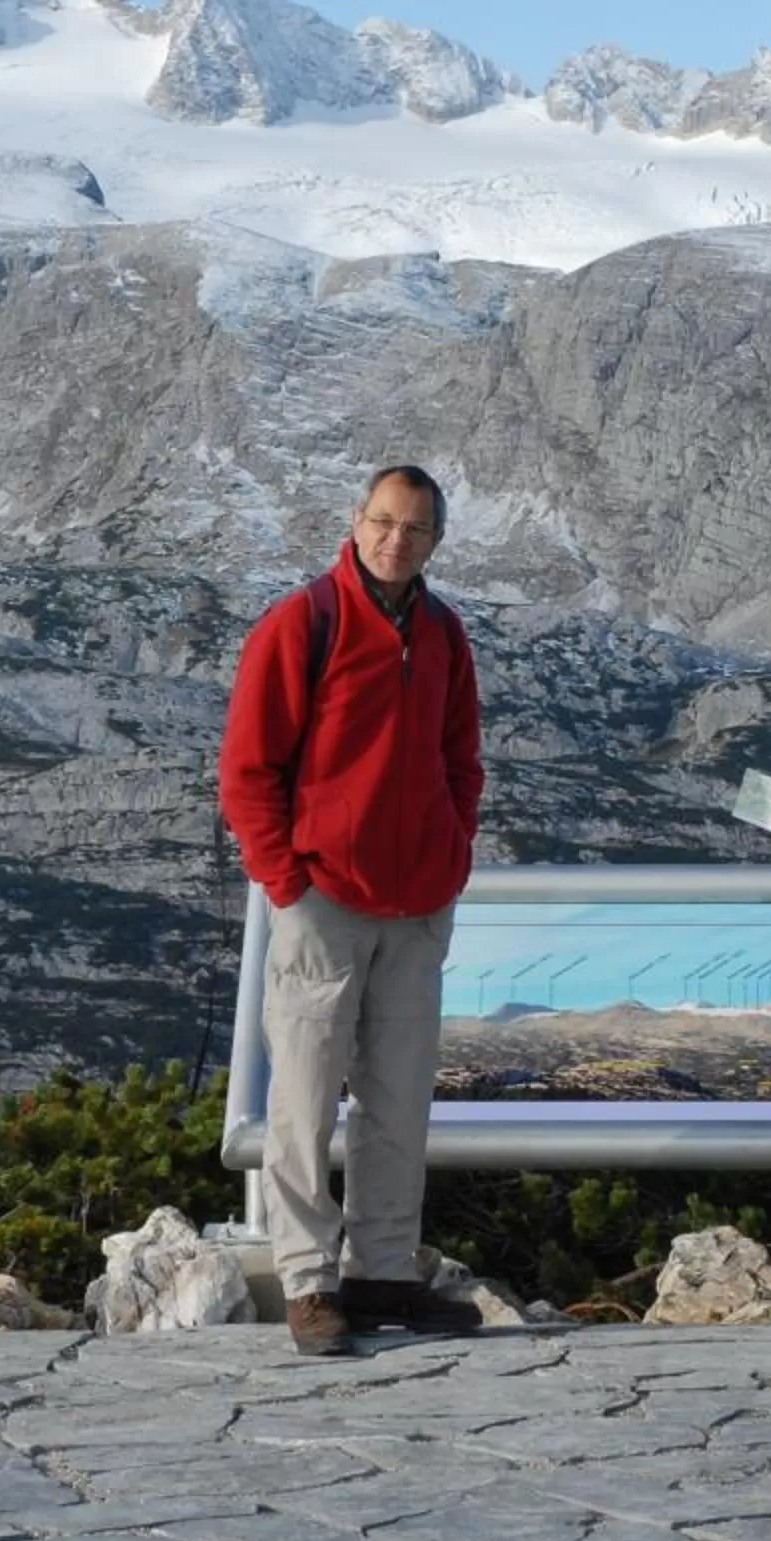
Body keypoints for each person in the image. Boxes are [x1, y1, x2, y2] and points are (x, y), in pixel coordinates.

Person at [218, 464, 486, 1356]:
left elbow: (461, 759)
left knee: (398, 1100)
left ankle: (382, 1275)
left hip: (416, 908)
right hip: (324, 900)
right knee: (302, 1095)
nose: (394, 540)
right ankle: (306, 1280)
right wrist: (287, 879)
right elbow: (248, 768)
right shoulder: (305, 622)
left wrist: (452, 853)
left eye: (413, 529)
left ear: (434, 541)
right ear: (356, 522)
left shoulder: (444, 634)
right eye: (382, 522)